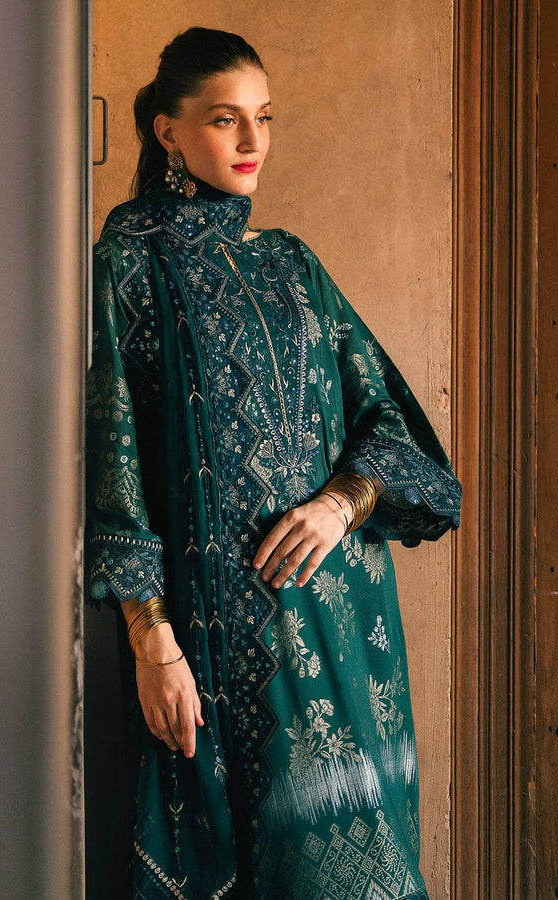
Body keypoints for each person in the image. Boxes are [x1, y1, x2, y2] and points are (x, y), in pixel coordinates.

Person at [85, 25, 461, 900]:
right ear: (168, 130)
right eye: (226, 119)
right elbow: (114, 462)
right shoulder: (128, 266)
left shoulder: (292, 262)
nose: (252, 140)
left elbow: (390, 419)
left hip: (345, 625)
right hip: (225, 640)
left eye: (264, 117)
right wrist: (151, 638)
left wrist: (340, 503)